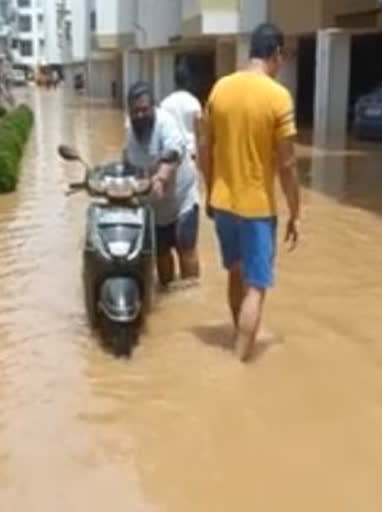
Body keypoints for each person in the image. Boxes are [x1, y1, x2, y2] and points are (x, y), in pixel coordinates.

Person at [199, 23, 301, 362]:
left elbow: (204, 148)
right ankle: (239, 363)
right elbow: (287, 165)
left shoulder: (219, 89)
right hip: (257, 208)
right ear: (276, 55)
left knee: (235, 272)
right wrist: (296, 212)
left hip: (222, 201)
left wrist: (210, 188)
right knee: (256, 285)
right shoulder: (278, 96)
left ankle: (236, 337)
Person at [124, 81, 200, 287]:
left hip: (181, 198)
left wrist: (161, 176)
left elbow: (173, 152)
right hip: (154, 205)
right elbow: (128, 162)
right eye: (135, 111)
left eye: (144, 109)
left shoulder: (166, 122)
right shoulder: (130, 130)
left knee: (186, 248)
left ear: (153, 107)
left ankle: (191, 296)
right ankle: (168, 294)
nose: (140, 115)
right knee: (161, 252)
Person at [160, 63, 203, 279]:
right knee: (189, 247)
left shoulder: (165, 103)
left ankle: (167, 284)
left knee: (164, 247)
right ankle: (192, 287)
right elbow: (199, 133)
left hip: (169, 162)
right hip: (190, 159)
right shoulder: (194, 102)